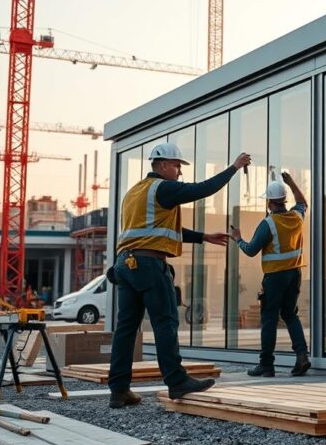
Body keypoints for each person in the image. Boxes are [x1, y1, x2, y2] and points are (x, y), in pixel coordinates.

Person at [107, 142, 251, 409]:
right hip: (149, 264)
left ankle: (119, 390)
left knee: (126, 329)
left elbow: (156, 230)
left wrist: (203, 236)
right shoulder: (163, 188)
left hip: (125, 265)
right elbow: (202, 189)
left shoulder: (135, 192)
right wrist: (234, 167)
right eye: (176, 166)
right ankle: (176, 381)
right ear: (163, 165)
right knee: (165, 322)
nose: (179, 172)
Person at [231, 171, 310, 378]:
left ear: (269, 203)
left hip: (275, 277)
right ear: (284, 200)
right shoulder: (296, 217)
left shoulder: (268, 224)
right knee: (290, 314)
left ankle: (266, 364)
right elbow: (302, 202)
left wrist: (238, 238)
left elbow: (251, 250)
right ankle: (302, 355)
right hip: (295, 274)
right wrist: (291, 183)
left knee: (269, 319)